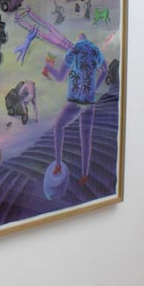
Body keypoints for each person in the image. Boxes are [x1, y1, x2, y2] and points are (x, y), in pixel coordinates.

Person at [43, 33, 107, 186]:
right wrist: (95, 88)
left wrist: (48, 67)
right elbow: (105, 70)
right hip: (89, 101)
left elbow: (60, 77)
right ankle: (84, 175)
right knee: (86, 139)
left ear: (78, 39)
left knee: (59, 126)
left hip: (75, 101)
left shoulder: (73, 50)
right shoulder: (95, 50)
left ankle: (58, 164)